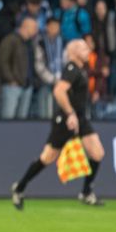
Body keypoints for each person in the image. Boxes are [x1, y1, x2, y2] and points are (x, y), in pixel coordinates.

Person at [10, 37, 106, 208]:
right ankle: (20, 187)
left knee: (97, 153)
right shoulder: (71, 69)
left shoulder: (80, 69)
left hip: (80, 119)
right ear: (74, 52)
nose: (88, 51)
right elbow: (58, 91)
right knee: (47, 158)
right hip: (66, 120)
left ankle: (86, 192)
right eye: (84, 49)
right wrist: (70, 114)